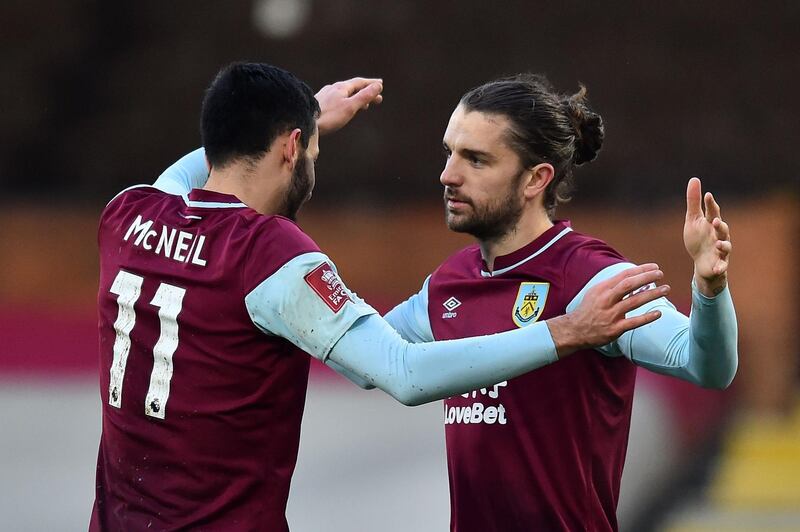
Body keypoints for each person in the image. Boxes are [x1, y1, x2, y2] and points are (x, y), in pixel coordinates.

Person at [90, 63, 666, 531]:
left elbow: (199, 169)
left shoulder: (128, 212)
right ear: (292, 148)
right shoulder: (270, 254)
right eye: (312, 152)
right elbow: (402, 371)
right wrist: (565, 331)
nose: (313, 166)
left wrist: (304, 117)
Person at [381, 74, 738, 531]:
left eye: (475, 159)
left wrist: (710, 289)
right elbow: (364, 351)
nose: (448, 175)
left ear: (535, 179)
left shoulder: (589, 276)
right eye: (449, 152)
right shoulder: (448, 286)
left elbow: (707, 366)